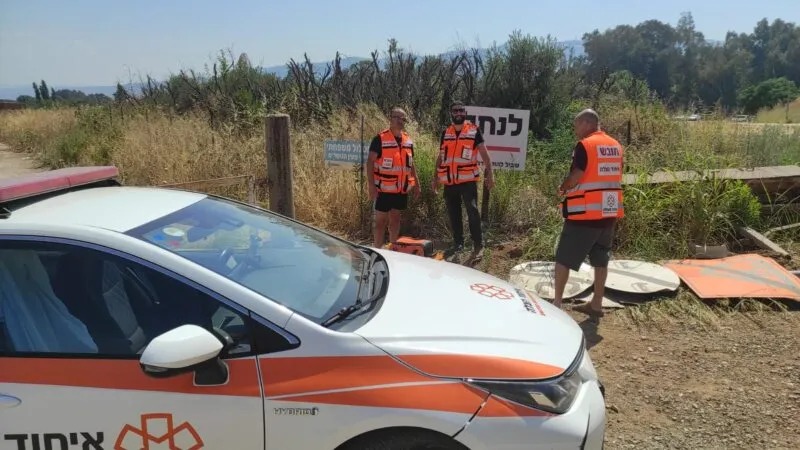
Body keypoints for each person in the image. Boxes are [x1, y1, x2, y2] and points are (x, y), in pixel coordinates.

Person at [553, 108, 625, 317]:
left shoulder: (585, 145)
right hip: (608, 212)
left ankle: (556, 305)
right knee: (601, 259)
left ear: (586, 123)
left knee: (563, 258)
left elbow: (577, 175)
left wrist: (564, 186)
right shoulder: (616, 145)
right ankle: (596, 304)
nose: (576, 130)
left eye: (577, 126)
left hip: (585, 213)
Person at [432, 101, 494, 259]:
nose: (458, 113)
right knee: (454, 214)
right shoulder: (446, 132)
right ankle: (458, 243)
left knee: (473, 212)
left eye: (461, 110)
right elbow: (440, 157)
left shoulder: (473, 130)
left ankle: (478, 245)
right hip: (450, 182)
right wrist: (435, 177)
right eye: (455, 110)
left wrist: (490, 174)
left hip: (467, 182)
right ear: (451, 113)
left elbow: (485, 154)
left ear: (465, 113)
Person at [366, 107, 420, 249]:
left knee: (395, 219)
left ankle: (393, 248)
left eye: (403, 118)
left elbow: (411, 163)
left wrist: (417, 184)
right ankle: (377, 249)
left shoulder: (408, 140)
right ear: (390, 118)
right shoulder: (380, 139)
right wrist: (371, 185)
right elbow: (370, 161)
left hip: (401, 190)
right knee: (380, 222)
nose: (400, 120)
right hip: (383, 189)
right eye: (396, 117)